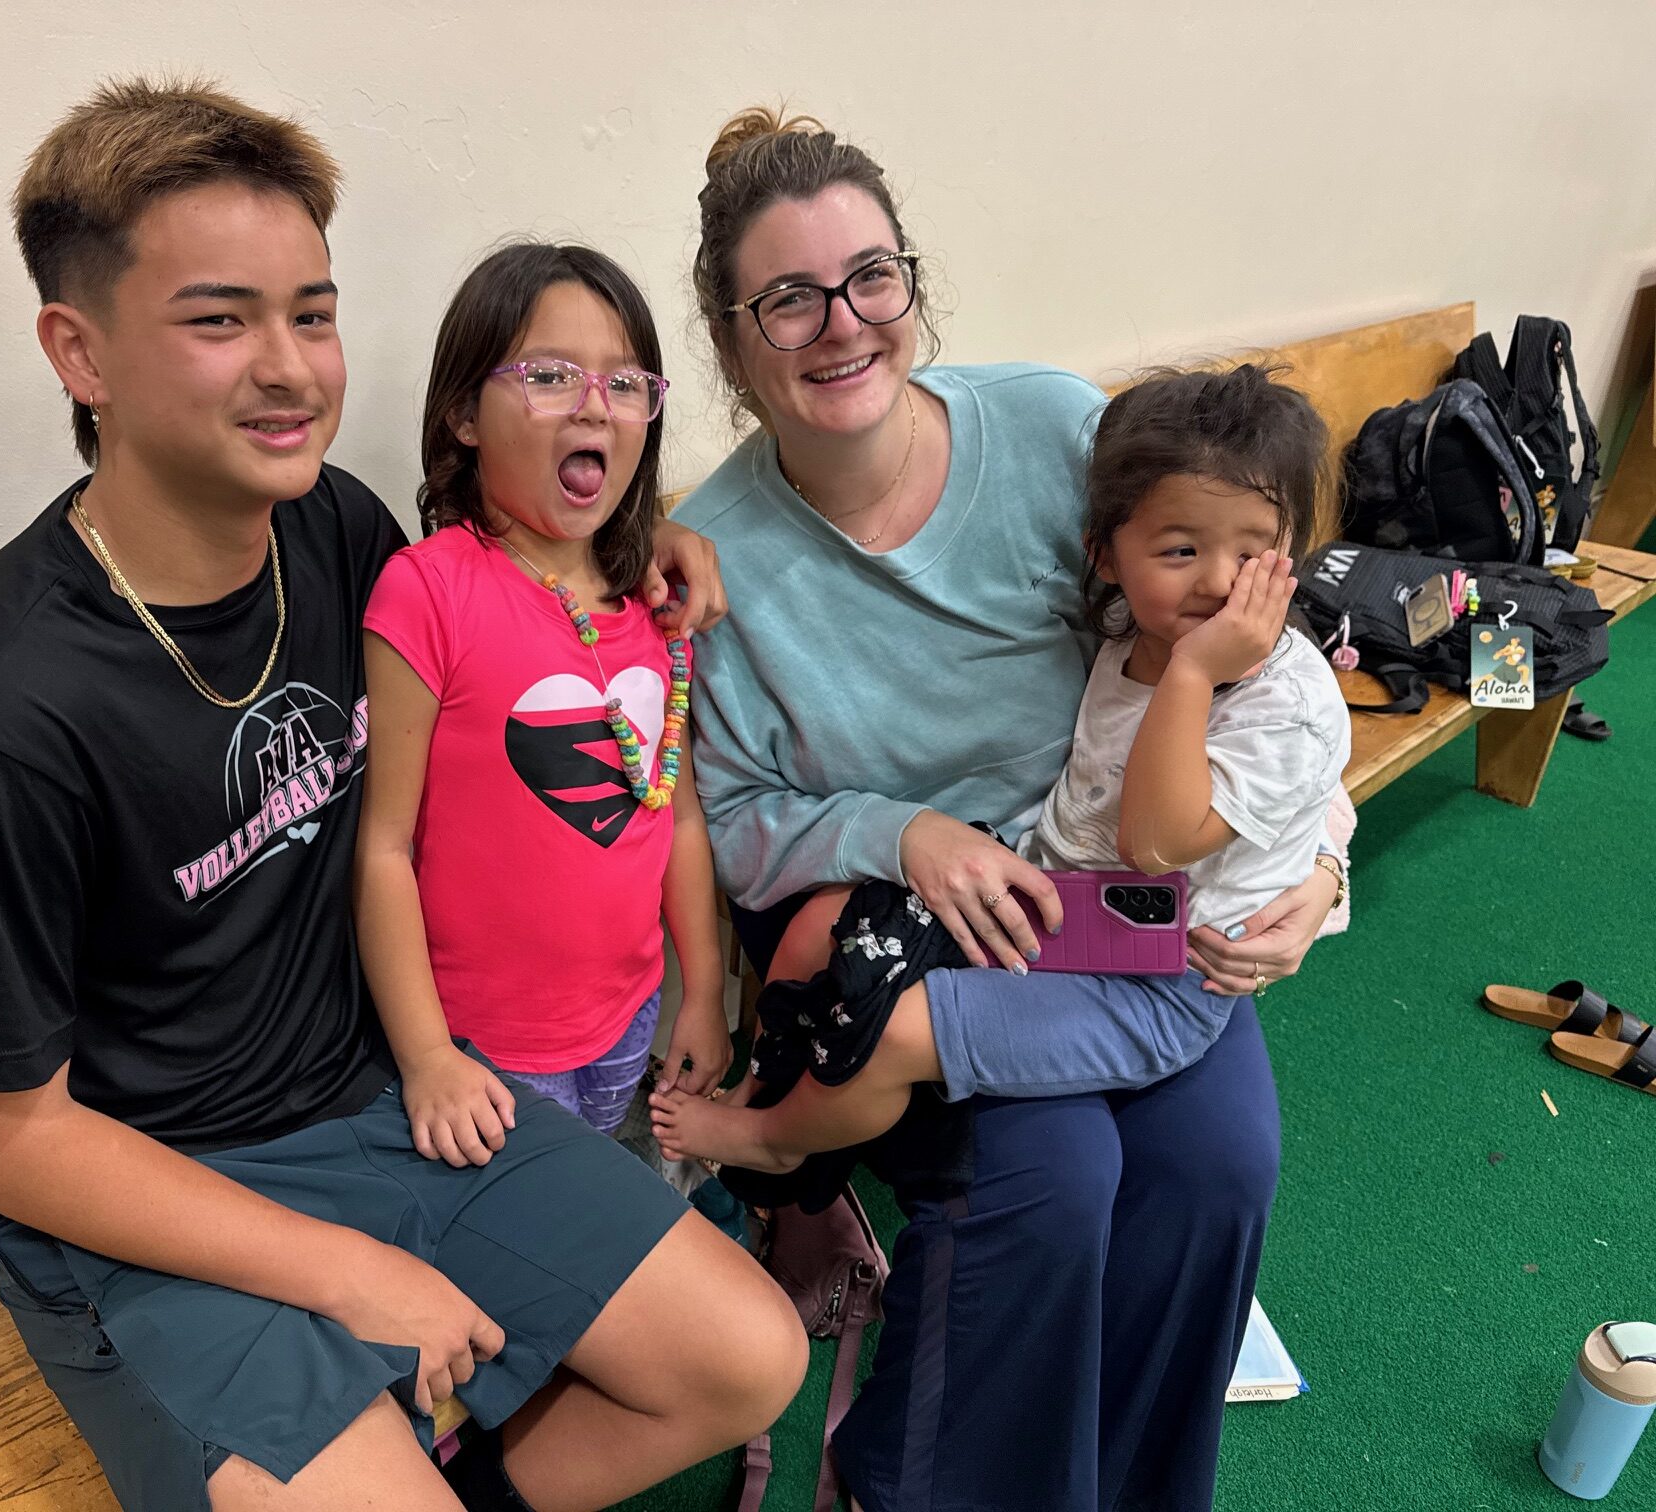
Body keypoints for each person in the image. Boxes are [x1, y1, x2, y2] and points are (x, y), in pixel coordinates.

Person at [0, 80, 802, 1512]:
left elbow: (506, 580)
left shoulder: (330, 530)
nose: (290, 366)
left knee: (748, 1354)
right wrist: (354, 1272)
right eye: (218, 318)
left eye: (311, 313)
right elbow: (2, 1130)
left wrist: (641, 535)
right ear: (80, 352)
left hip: (374, 1104)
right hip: (149, 1205)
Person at [677, 108, 1349, 1512]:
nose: (840, 324)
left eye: (872, 276)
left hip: (1121, 900)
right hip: (912, 926)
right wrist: (906, 832)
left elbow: (1245, 670)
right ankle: (909, 1478)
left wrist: (1325, 869)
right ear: (734, 342)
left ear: (911, 285)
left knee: (1221, 1166)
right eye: (786, 299)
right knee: (1052, 1184)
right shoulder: (719, 553)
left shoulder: (1052, 429)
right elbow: (727, 815)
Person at [651, 365, 1349, 1175]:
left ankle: (773, 1147)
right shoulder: (1130, 627)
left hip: (1159, 976)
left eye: (1253, 555)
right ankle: (774, 1092)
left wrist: (1327, 869)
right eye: (1183, 550)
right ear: (1105, 556)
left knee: (890, 1036)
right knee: (820, 935)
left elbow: (1167, 837)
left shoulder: (1231, 668)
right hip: (1066, 900)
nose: (1221, 584)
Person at [357, 242, 732, 1157]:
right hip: (484, 1056)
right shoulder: (427, 592)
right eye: (552, 375)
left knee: (609, 1194)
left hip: (628, 1022)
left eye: (626, 381)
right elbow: (385, 847)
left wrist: (709, 992)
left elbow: (674, 816)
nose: (596, 403)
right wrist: (427, 1058)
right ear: (463, 415)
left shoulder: (649, 596)